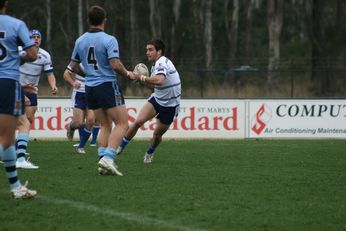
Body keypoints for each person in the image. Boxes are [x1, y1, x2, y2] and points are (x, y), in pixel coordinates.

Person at [67, 5, 140, 176]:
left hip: (90, 88)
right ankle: (108, 158)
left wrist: (89, 74)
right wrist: (128, 74)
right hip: (106, 85)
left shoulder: (80, 40)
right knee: (123, 124)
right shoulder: (109, 39)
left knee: (105, 125)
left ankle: (102, 162)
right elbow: (115, 64)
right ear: (104, 21)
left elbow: (73, 66)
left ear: (88, 21)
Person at [117, 39, 181, 163]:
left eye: (150, 49)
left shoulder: (162, 62)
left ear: (159, 51)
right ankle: (119, 147)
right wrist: (142, 80)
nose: (147, 52)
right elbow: (154, 85)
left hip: (170, 106)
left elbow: (160, 80)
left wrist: (140, 76)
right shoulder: (154, 66)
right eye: (147, 50)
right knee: (138, 122)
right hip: (157, 99)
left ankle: (149, 152)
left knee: (157, 135)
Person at [0, 0, 37, 198]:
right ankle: (16, 188)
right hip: (6, 82)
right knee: (6, 139)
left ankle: (16, 188)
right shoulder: (16, 24)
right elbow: (33, 54)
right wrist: (17, 56)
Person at [15, 29, 58, 169]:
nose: (36, 39)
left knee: (29, 119)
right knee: (21, 121)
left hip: (32, 90)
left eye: (38, 37)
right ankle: (17, 150)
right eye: (33, 37)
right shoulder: (20, 51)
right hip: (16, 87)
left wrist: (53, 86)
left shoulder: (45, 55)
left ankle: (19, 145)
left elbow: (49, 74)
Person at [63, 65, 99, 154]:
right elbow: (66, 74)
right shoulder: (78, 58)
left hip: (92, 94)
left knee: (91, 120)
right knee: (78, 123)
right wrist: (73, 83)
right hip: (79, 94)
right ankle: (71, 126)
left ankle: (81, 146)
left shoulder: (99, 58)